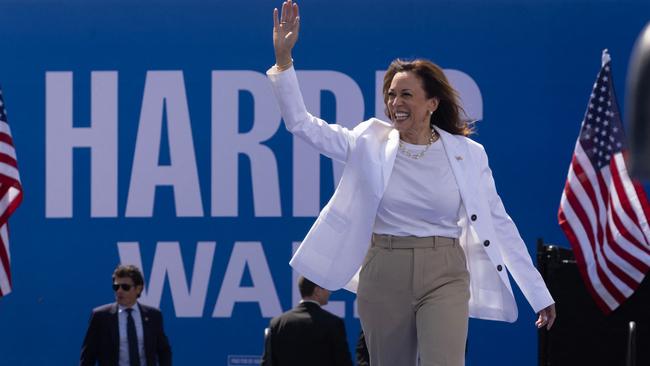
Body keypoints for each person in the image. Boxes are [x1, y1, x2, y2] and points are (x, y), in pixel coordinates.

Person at [268, 1, 557, 365]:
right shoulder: (367, 141)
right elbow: (302, 125)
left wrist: (538, 292)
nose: (395, 102)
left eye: (406, 94)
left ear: (432, 102)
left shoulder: (468, 154)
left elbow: (499, 223)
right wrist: (283, 63)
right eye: (390, 94)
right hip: (384, 269)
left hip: (446, 272)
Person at [80, 265, 172, 366]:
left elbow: (163, 351)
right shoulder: (101, 316)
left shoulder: (154, 315)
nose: (119, 291)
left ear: (138, 289)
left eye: (125, 287)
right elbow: (88, 355)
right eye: (116, 287)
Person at [261, 275, 353, 366]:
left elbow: (268, 362)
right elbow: (343, 362)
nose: (329, 293)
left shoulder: (277, 323)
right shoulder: (333, 323)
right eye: (326, 288)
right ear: (317, 291)